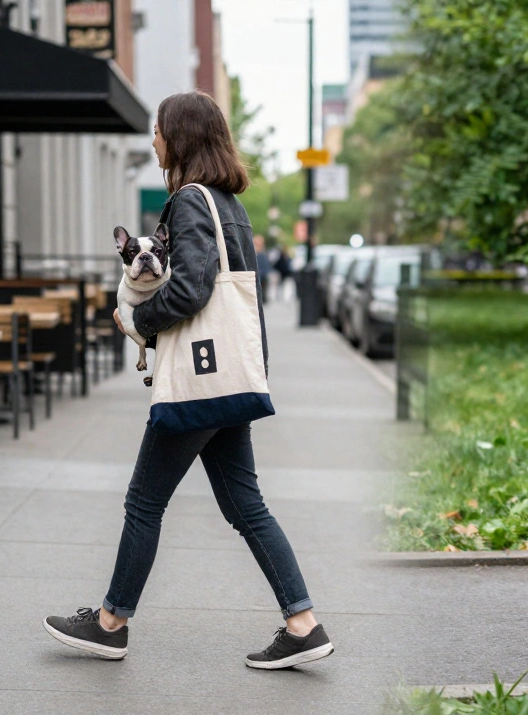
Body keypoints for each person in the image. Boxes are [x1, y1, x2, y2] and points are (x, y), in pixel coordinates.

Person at [43, 91, 334, 669]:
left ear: (177, 137)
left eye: (157, 130)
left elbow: (192, 287)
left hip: (202, 380)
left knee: (144, 502)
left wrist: (139, 322)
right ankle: (302, 623)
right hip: (231, 376)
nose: (153, 139)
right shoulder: (227, 202)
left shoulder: (189, 202)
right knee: (246, 505)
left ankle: (109, 623)